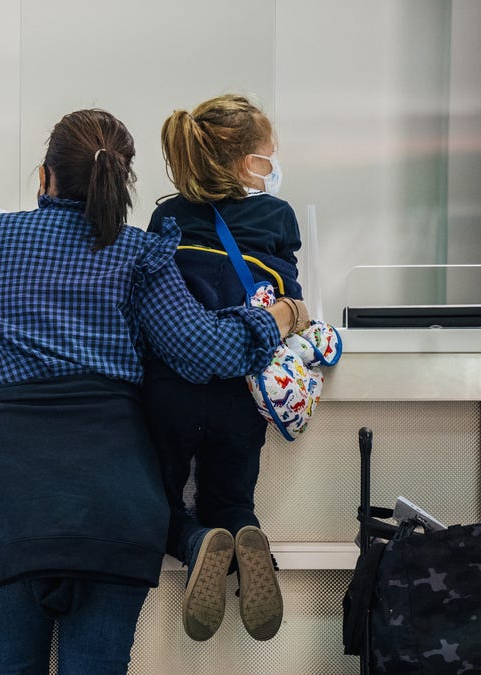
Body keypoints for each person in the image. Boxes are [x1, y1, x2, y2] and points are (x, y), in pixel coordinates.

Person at [0, 108, 308, 674]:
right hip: (115, 500)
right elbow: (208, 353)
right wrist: (280, 316)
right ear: (121, 183)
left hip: (6, 500)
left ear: (45, 177)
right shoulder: (136, 255)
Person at [142, 93, 303, 643]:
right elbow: (291, 297)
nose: (274, 165)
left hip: (170, 391)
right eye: (267, 156)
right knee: (231, 496)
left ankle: (194, 542)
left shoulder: (167, 217)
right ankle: (242, 530)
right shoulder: (277, 216)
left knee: (156, 502)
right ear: (243, 163)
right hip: (242, 390)